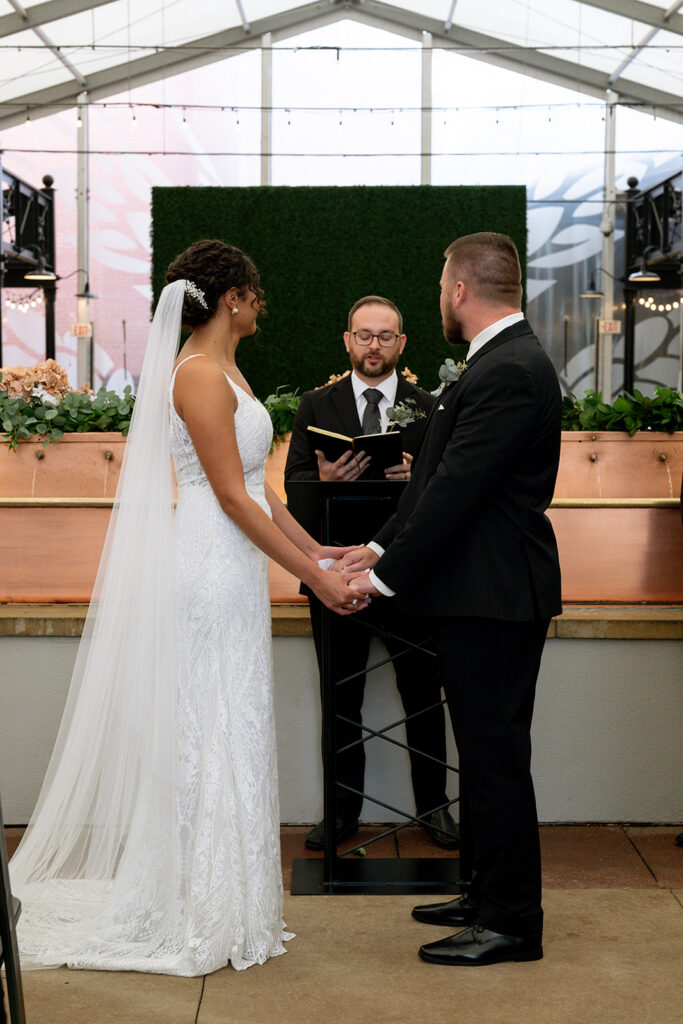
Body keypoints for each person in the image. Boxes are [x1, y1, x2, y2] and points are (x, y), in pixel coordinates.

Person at [10, 240, 363, 977]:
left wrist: (320, 552)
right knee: (211, 718)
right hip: (207, 561)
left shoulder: (227, 369)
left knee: (234, 715)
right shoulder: (198, 374)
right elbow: (230, 497)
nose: (262, 302)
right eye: (256, 290)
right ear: (231, 296)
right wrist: (315, 581)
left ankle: (232, 897)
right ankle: (195, 904)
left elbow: (260, 488)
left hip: (233, 557)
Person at [347, 233, 562, 966]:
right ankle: (483, 888)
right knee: (484, 751)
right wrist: (373, 548)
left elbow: (454, 494)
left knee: (496, 758)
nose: (441, 296)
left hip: (496, 595)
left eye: (443, 285)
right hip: (480, 593)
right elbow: (434, 480)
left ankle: (510, 921)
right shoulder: (498, 361)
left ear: (461, 291)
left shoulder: (509, 369)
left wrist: (378, 581)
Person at [285, 295, 458, 850]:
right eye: (364, 335)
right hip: (335, 574)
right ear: (348, 341)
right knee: (340, 698)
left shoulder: (431, 406)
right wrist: (325, 481)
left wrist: (417, 480)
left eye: (385, 336)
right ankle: (340, 815)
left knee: (424, 696)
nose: (374, 345)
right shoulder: (316, 405)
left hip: (409, 573)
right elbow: (290, 496)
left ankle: (435, 810)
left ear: (402, 343)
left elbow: (449, 493)